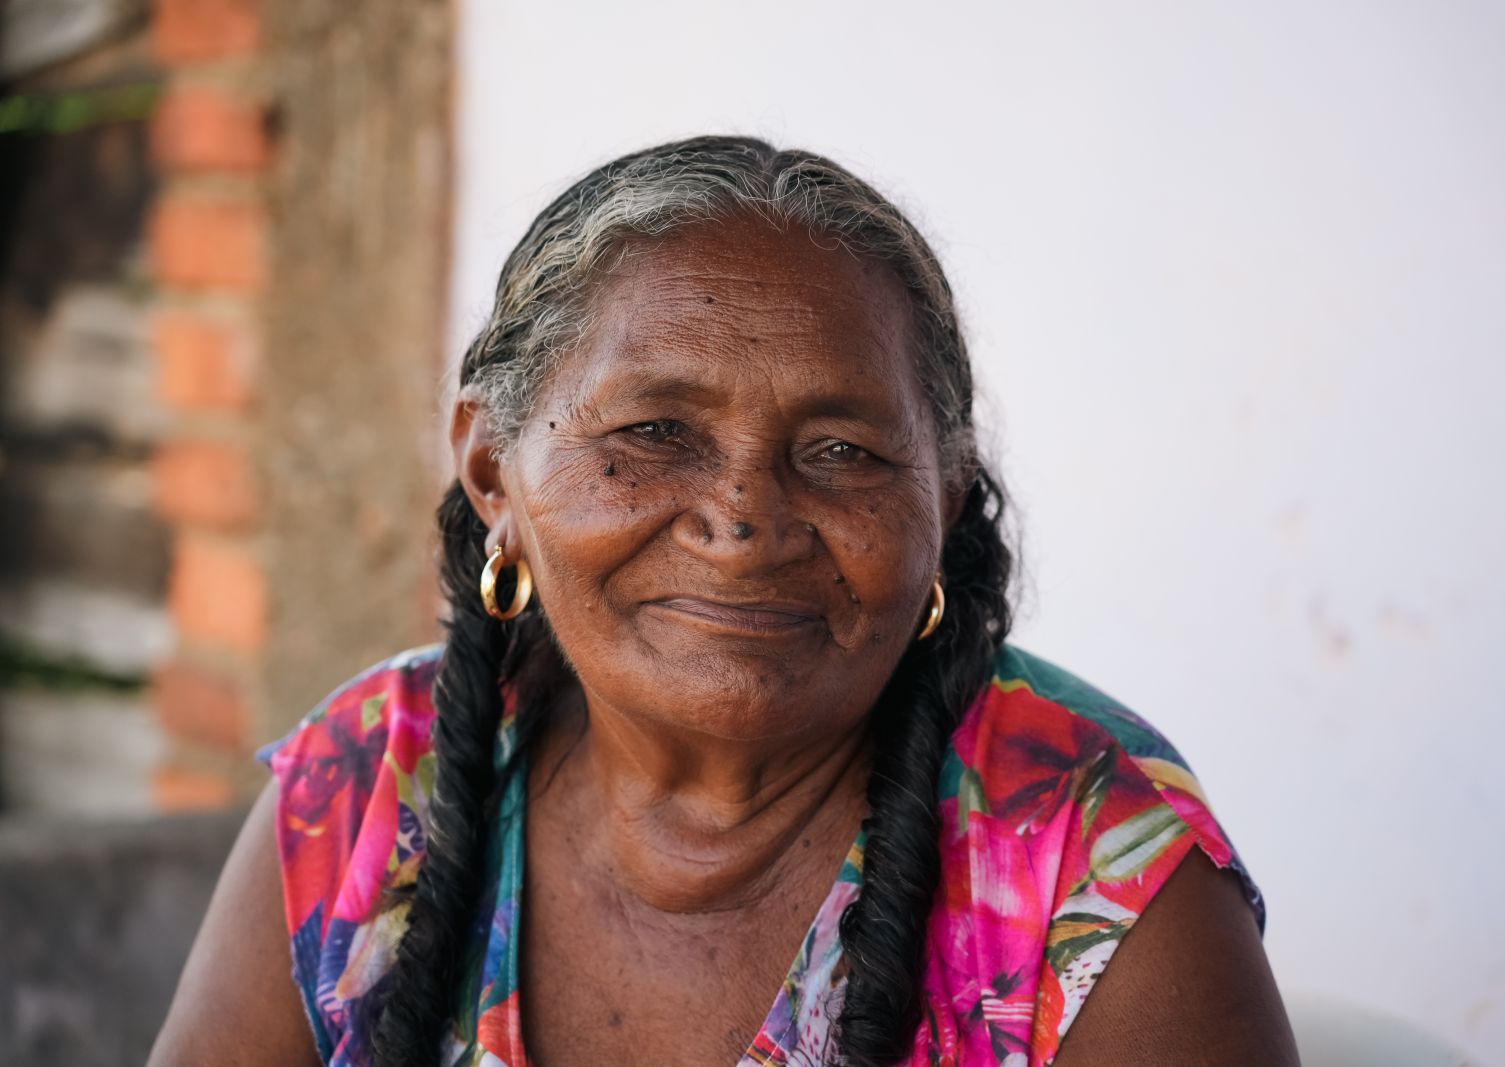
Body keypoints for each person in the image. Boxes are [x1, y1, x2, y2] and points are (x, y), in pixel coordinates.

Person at [150, 136, 1297, 1067]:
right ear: (493, 470)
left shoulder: (1091, 859)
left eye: (843, 449)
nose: (744, 520)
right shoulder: (366, 781)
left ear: (943, 504)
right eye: (656, 431)